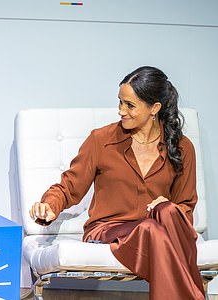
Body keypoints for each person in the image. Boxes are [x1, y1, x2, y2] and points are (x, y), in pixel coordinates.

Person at [29, 66, 205, 299]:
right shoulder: (101, 140)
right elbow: (69, 185)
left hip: (158, 229)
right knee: (151, 227)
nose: (121, 111)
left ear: (155, 108)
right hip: (108, 229)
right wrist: (49, 205)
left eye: (130, 105)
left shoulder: (182, 148)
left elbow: (185, 208)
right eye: (120, 102)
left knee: (167, 211)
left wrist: (165, 205)